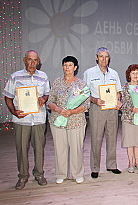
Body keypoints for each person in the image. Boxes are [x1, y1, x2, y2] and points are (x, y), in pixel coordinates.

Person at [3, 50, 49, 190]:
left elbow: (47, 93)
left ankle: (39, 174)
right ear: (24, 60)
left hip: (39, 119)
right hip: (21, 120)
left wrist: (43, 98)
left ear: (38, 61)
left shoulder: (43, 76)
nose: (32, 63)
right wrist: (14, 112)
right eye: (29, 59)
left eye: (35, 60)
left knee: (39, 148)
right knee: (22, 149)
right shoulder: (15, 77)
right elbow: (8, 97)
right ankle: (22, 177)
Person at [47, 56, 90, 184]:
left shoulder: (81, 84)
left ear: (75, 68)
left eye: (70, 65)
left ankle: (77, 173)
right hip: (58, 120)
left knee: (77, 148)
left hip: (76, 121)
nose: (67, 68)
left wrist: (72, 111)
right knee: (60, 148)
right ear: (62, 67)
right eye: (65, 65)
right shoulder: (57, 82)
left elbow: (86, 104)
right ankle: (61, 173)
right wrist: (58, 109)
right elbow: (49, 101)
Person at [83, 47, 122, 178]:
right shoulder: (89, 73)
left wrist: (118, 101)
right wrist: (94, 100)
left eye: (106, 57)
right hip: (97, 109)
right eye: (101, 56)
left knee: (112, 138)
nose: (104, 59)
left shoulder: (114, 74)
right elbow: (84, 93)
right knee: (96, 138)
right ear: (96, 57)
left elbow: (118, 92)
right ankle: (95, 168)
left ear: (109, 58)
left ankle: (111, 164)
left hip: (112, 110)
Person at [120, 64, 138, 173]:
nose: (135, 75)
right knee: (129, 141)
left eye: (137, 73)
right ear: (129, 75)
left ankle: (137, 162)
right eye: (133, 73)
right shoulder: (124, 88)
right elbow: (122, 103)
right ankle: (130, 163)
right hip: (128, 118)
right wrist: (131, 108)